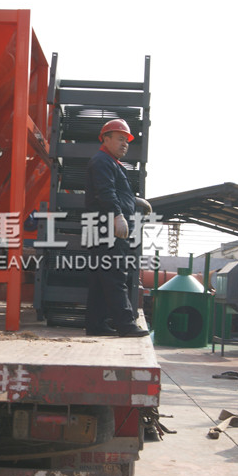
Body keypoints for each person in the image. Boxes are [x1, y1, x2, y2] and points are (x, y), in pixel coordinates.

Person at [84, 119, 152, 338]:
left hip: (102, 228)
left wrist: (134, 200)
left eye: (127, 141)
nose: (125, 144)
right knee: (115, 277)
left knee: (100, 279)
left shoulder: (110, 162)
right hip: (108, 229)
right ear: (106, 139)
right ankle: (126, 325)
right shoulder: (103, 161)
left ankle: (96, 324)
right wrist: (117, 215)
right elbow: (105, 191)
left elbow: (115, 191)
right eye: (120, 139)